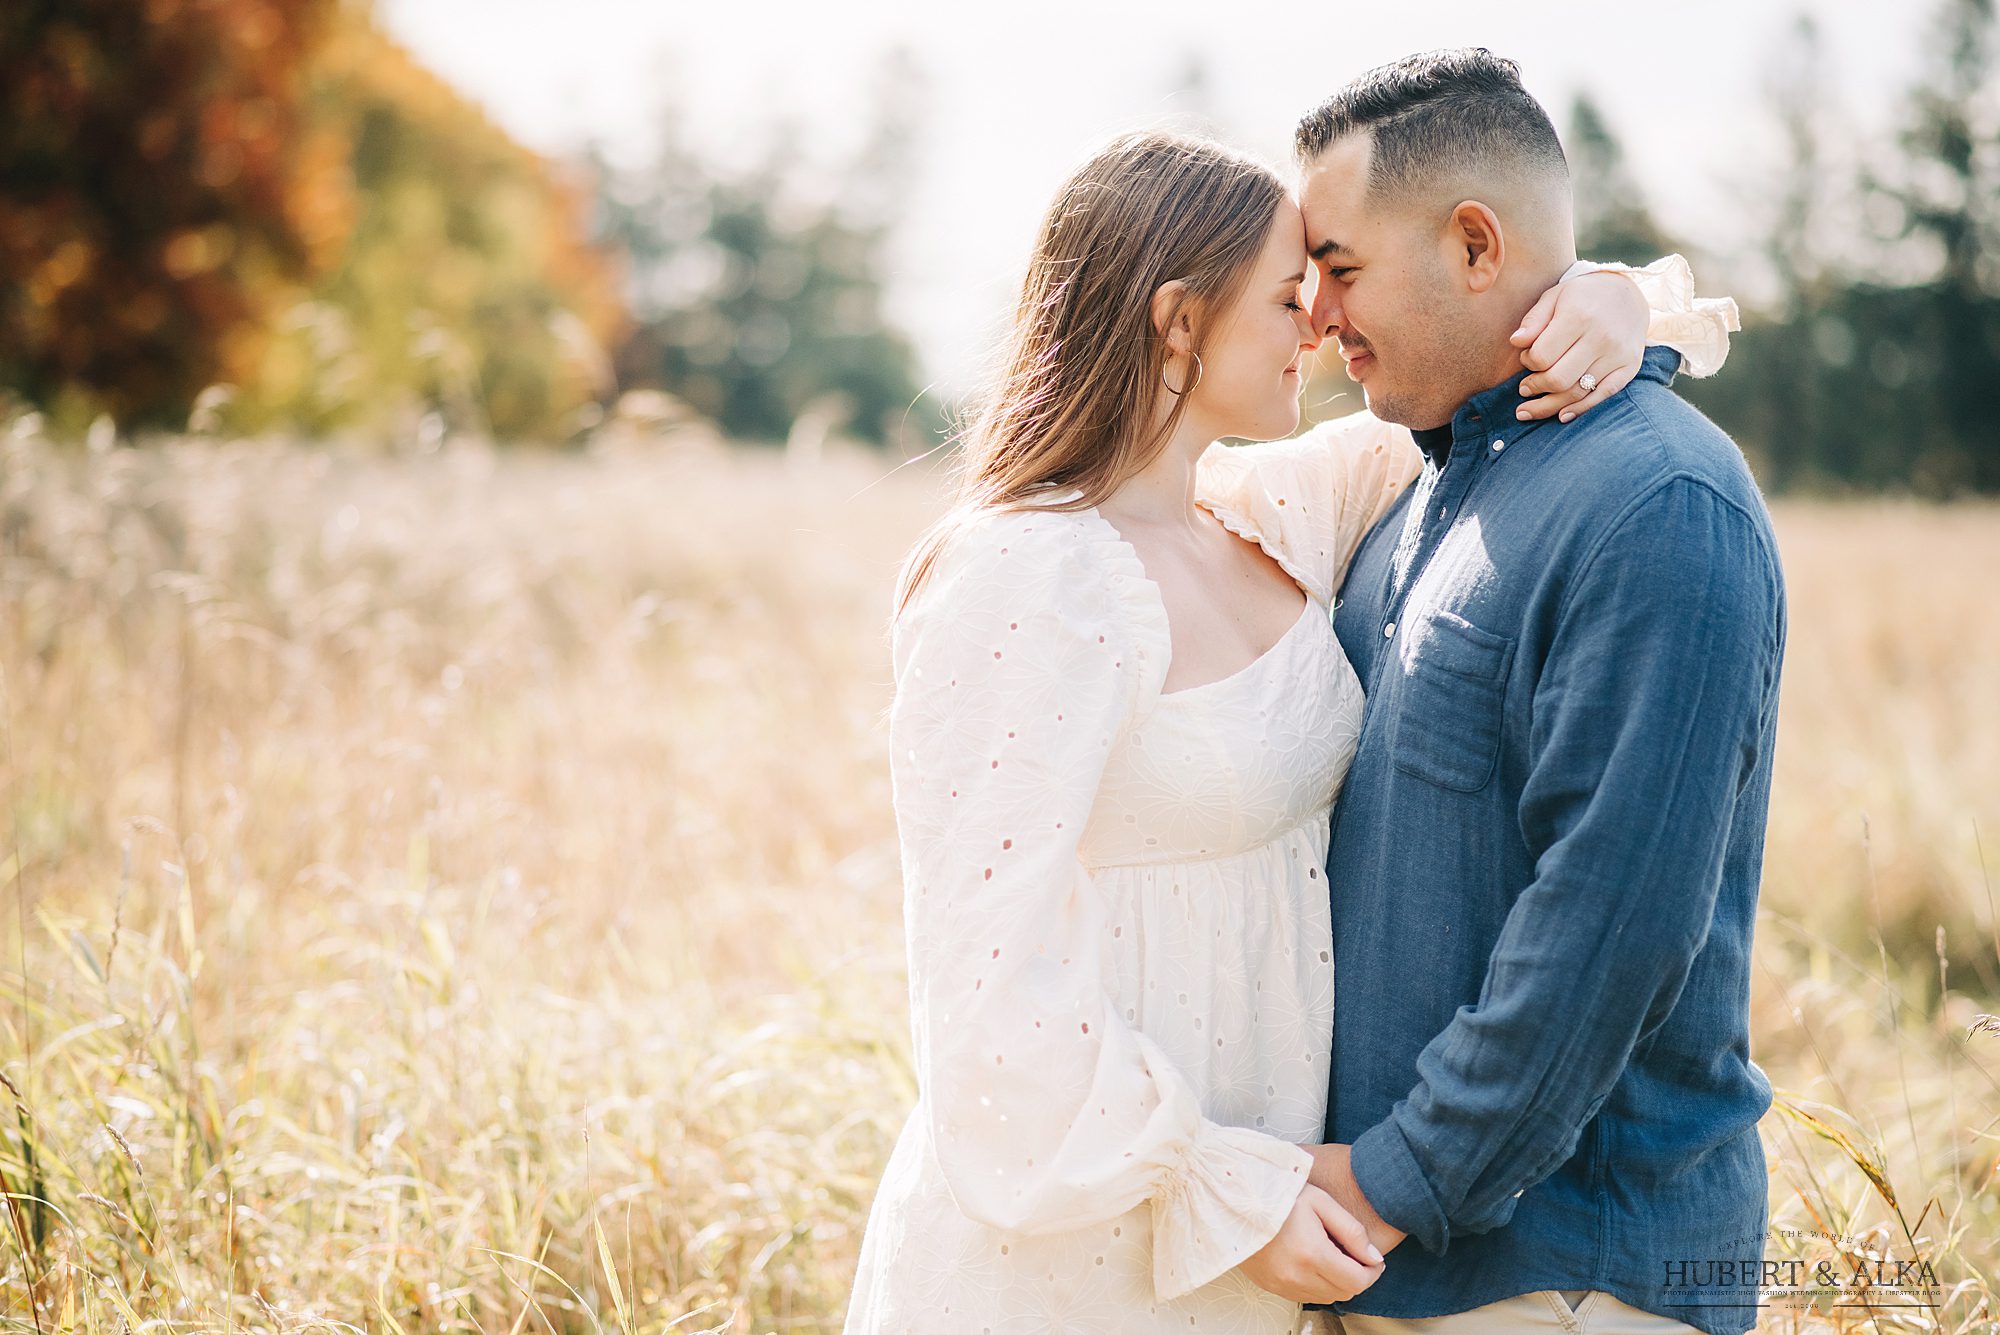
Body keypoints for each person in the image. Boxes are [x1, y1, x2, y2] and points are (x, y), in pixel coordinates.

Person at [841, 126, 1736, 1335]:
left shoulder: (1275, 514)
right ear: (1175, 322)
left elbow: (1473, 363)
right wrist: (1216, 1189)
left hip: (1270, 1244)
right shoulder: (1025, 579)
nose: (1317, 326)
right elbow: (987, 992)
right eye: (1284, 296)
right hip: (1093, 1243)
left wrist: (1615, 300)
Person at [1282, 50, 1784, 1335]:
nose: (1316, 316)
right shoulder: (1410, 498)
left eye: (1338, 268)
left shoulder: (1655, 503)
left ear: (1470, 243)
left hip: (1569, 1277)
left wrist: (1399, 1176)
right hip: (1388, 1260)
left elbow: (1612, 917)